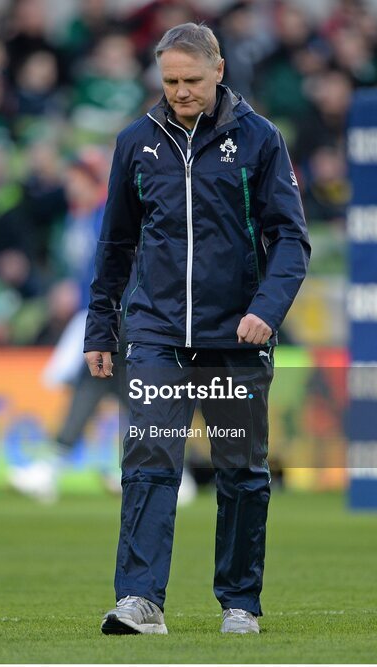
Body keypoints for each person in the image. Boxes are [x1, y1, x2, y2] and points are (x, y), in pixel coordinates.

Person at [84, 23, 310, 635]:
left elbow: (290, 238)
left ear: (219, 70)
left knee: (239, 470)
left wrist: (266, 309)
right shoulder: (137, 143)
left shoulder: (260, 141)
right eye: (169, 81)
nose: (180, 92)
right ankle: (140, 601)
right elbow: (117, 243)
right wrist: (101, 328)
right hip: (155, 333)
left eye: (190, 80)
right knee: (149, 461)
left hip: (235, 336)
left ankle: (240, 603)